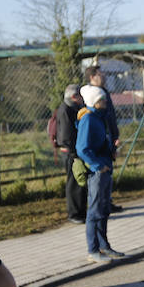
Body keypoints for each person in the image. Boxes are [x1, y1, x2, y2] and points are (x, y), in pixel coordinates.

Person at [76, 85, 125, 263]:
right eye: (101, 100)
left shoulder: (100, 117)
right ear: (94, 102)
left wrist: (111, 149)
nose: (105, 102)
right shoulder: (88, 120)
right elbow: (82, 148)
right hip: (97, 171)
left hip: (106, 166)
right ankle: (93, 249)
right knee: (94, 210)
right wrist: (97, 165)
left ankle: (104, 246)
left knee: (104, 209)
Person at [85, 65, 124, 213]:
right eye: (100, 74)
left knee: (109, 172)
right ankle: (97, 205)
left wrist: (115, 136)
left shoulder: (105, 93)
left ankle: (107, 201)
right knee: (98, 176)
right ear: (92, 77)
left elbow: (111, 117)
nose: (104, 76)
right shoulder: (90, 95)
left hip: (109, 136)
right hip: (99, 138)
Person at [56, 84, 87, 224]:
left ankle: (81, 211)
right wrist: (74, 154)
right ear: (74, 97)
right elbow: (67, 135)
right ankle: (74, 213)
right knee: (73, 182)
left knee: (79, 181)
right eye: (80, 95)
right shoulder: (65, 110)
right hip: (70, 153)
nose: (82, 98)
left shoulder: (74, 109)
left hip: (75, 151)